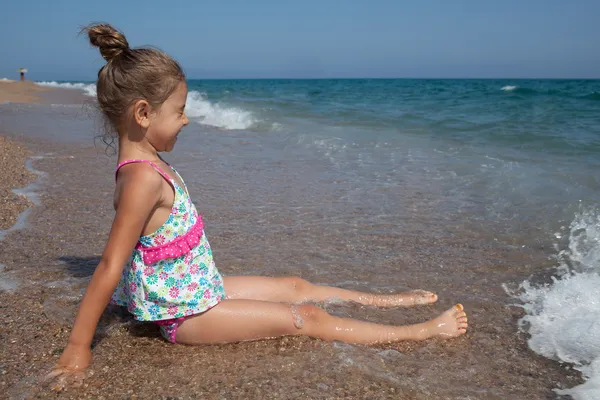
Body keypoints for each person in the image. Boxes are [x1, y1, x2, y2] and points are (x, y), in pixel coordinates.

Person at [49, 23, 468, 384]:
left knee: (293, 286)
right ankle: (422, 331)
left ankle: (387, 301)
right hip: (186, 317)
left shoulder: (148, 162)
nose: (187, 119)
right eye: (179, 111)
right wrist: (77, 348)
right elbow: (109, 266)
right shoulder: (141, 178)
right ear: (143, 113)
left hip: (201, 290)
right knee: (305, 316)